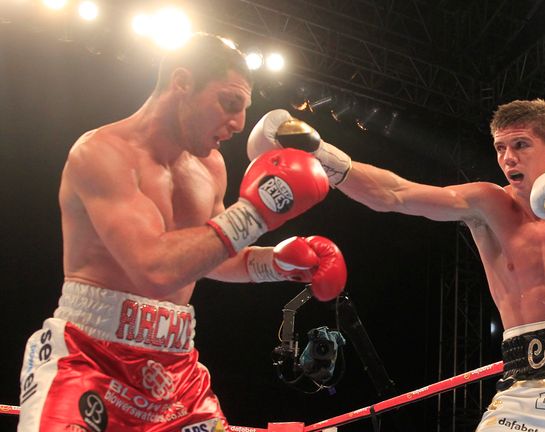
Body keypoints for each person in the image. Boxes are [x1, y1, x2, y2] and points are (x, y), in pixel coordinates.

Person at [247, 100, 545, 431]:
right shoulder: (486, 205)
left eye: (521, 145)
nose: (508, 158)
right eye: (500, 148)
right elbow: (395, 194)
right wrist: (322, 153)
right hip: (525, 384)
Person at [18, 33, 348, 432]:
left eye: (245, 109)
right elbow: (153, 270)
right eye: (229, 103)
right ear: (181, 82)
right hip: (89, 357)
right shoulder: (102, 153)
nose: (239, 123)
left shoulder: (210, 168)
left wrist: (276, 263)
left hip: (175, 370)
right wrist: (257, 213)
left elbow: (214, 254)